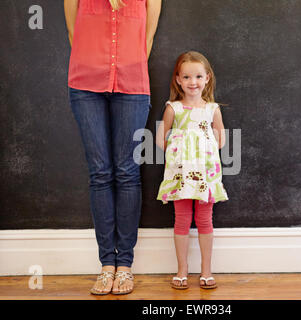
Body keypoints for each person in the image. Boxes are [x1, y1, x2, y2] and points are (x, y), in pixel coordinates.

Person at [64, 0, 162, 295]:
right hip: (85, 84)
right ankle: (107, 265)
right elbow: (73, 32)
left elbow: (148, 37)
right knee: (100, 173)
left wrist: (125, 67)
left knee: (127, 173)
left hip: (132, 85)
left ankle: (126, 266)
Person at [156, 51, 229, 289]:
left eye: (198, 76)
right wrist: (180, 148)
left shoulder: (212, 109)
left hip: (206, 174)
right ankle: (182, 270)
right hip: (180, 174)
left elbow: (220, 140)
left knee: (205, 219)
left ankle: (206, 270)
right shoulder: (173, 109)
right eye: (186, 77)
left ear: (207, 78)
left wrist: (201, 148)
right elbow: (160, 139)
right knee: (182, 220)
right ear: (178, 80)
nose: (193, 82)